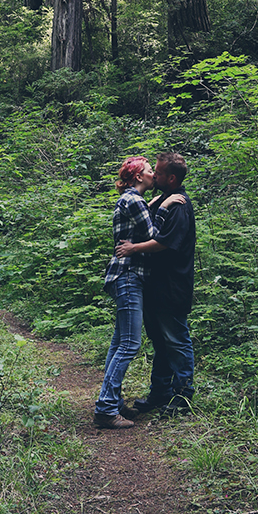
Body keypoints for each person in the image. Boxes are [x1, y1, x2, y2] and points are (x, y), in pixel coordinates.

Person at [94, 157, 184, 430]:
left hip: (123, 276)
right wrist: (166, 204)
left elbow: (141, 220)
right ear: (137, 178)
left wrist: (157, 202)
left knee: (119, 342)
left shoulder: (133, 200)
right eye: (148, 171)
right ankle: (106, 408)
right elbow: (155, 234)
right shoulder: (134, 201)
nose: (152, 175)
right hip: (129, 276)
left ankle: (113, 401)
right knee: (130, 344)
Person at [115, 151, 196, 417]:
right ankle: (160, 393)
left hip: (173, 286)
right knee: (161, 343)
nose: (154, 175)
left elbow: (163, 242)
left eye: (158, 172)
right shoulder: (162, 200)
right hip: (153, 286)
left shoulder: (179, 205)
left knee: (176, 341)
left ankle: (183, 397)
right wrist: (156, 206)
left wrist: (133, 248)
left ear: (171, 178)